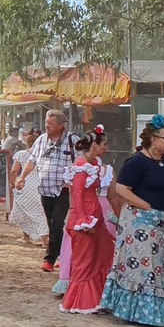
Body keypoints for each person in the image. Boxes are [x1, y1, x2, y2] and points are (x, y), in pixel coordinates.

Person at [99, 116, 164, 327]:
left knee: (159, 267)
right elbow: (121, 189)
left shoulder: (163, 160)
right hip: (143, 223)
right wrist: (146, 206)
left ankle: (155, 311)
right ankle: (140, 312)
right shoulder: (136, 162)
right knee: (144, 267)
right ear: (154, 140)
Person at [61, 127, 114, 314]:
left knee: (100, 256)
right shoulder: (81, 166)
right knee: (84, 260)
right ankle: (80, 301)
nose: (106, 148)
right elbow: (76, 194)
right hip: (84, 220)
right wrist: (83, 220)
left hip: (94, 218)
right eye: (104, 144)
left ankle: (93, 299)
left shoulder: (91, 165)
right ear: (94, 145)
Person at [27, 110, 80, 271]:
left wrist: (71, 181)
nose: (47, 126)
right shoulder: (41, 140)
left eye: (51, 123)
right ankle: (63, 255)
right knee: (52, 224)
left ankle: (49, 259)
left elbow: (81, 162)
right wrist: (21, 177)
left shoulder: (72, 140)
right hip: (45, 188)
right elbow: (32, 160)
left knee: (57, 223)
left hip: (63, 189)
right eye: (46, 123)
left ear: (61, 125)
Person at [7, 128, 46, 244]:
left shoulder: (21, 154)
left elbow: (14, 171)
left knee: (24, 209)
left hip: (25, 183)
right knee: (40, 211)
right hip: (40, 183)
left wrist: (11, 183)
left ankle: (34, 237)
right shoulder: (43, 155)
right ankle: (36, 238)